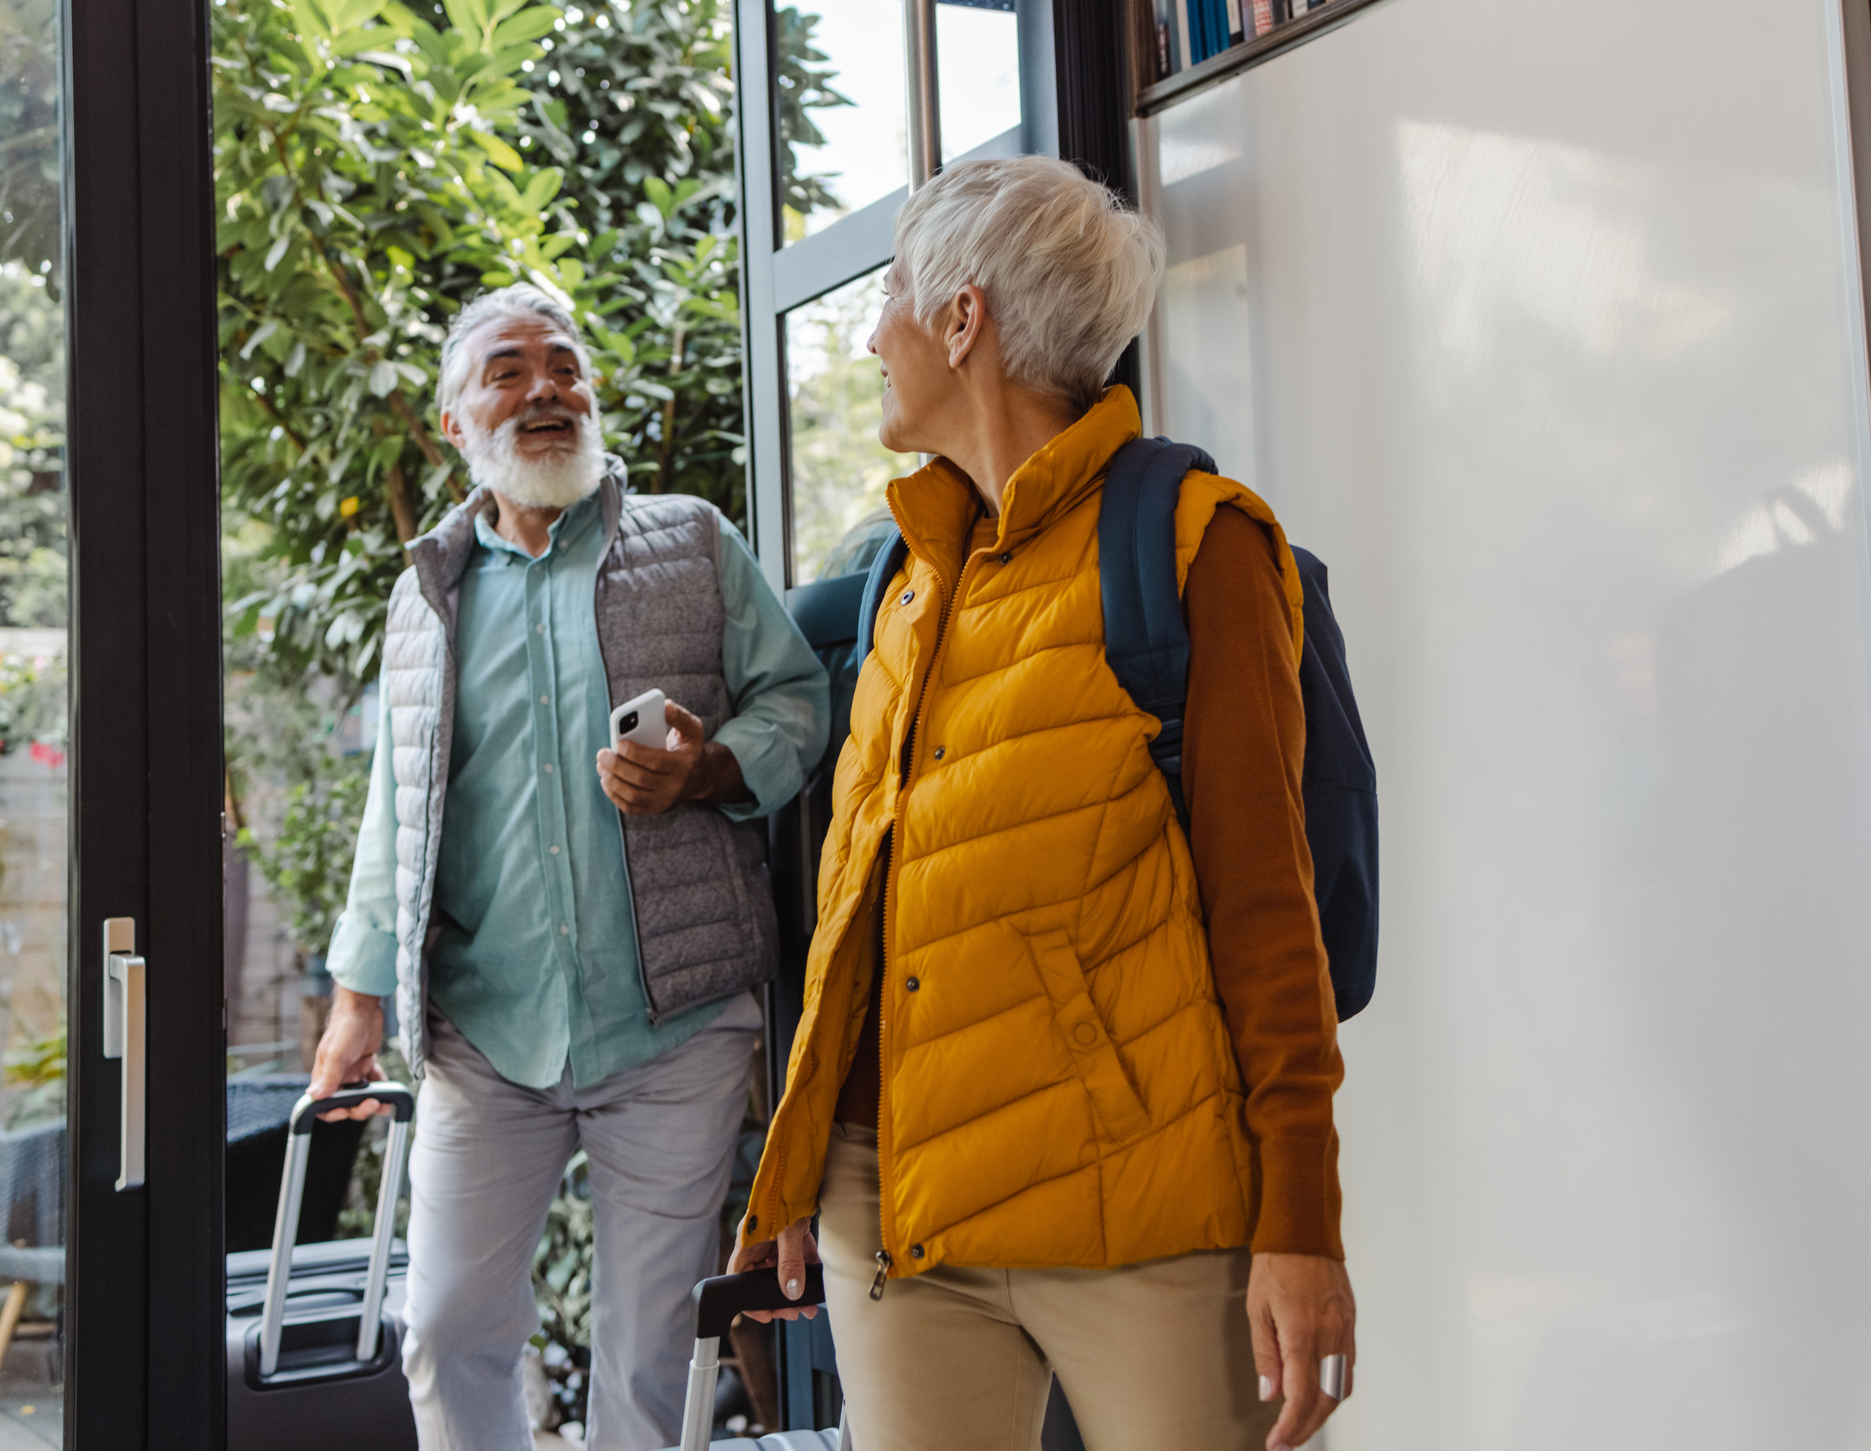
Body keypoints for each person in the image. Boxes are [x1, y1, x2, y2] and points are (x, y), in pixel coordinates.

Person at [730, 157, 1356, 1451]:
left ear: (963, 320)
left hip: (1138, 1210)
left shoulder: (1196, 545)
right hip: (892, 1207)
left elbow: (1266, 916)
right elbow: (861, 900)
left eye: (893, 292)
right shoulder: (909, 572)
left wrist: (1300, 1223)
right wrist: (796, 1165)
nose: (872, 332)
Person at [308, 284, 830, 1451]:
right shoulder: (425, 596)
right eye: (507, 369)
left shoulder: (691, 542)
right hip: (488, 1037)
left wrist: (710, 770)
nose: (544, 387)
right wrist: (357, 994)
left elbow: (799, 700)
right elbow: (398, 805)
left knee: (646, 1359)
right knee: (443, 1330)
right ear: (457, 424)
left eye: (563, 364)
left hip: (675, 1031)